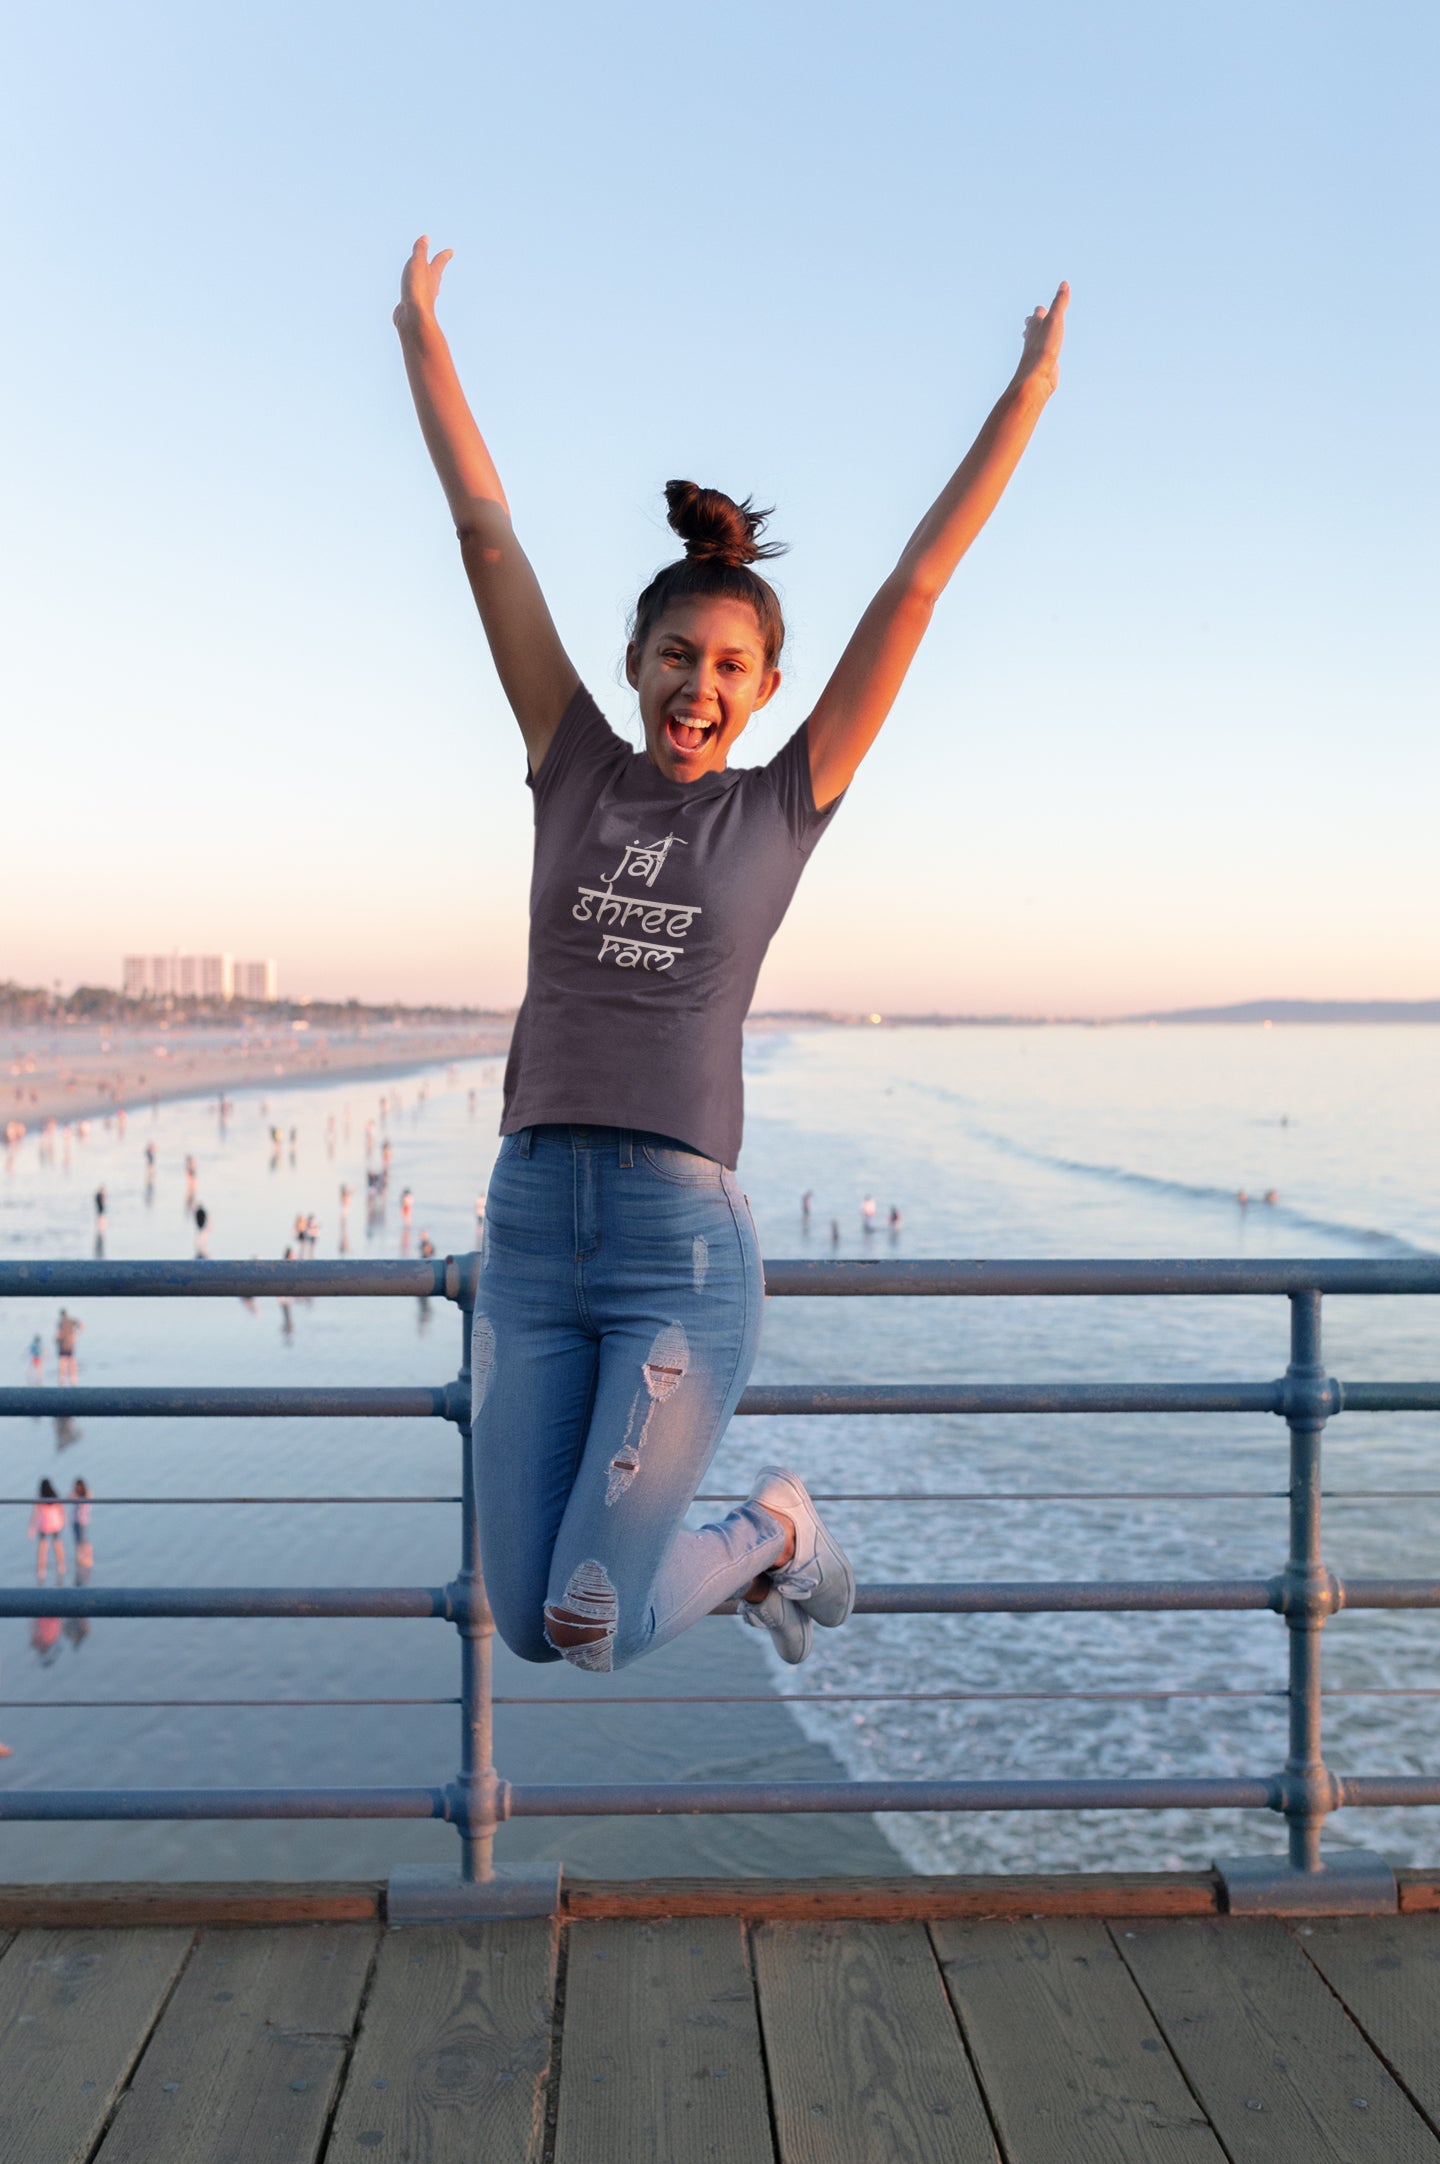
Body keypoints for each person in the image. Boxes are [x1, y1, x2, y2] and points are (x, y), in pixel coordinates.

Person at [395, 234, 1066, 1671]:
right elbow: (487, 540)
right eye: (675, 657)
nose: (697, 686)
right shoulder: (570, 762)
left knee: (592, 1622)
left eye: (729, 668)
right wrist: (419, 336)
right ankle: (757, 1555)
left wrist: (1026, 394)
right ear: (634, 663)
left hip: (675, 1245)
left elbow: (915, 588)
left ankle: (777, 1535)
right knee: (527, 1623)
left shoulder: (779, 808)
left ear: (762, 692)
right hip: (525, 1227)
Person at [29, 1478, 66, 1583]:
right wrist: (63, 1521)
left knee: (43, 1549)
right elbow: (61, 1510)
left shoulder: (41, 1499)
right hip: (54, 1525)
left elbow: (35, 1515)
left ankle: (42, 1570)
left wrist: (32, 1528)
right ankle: (61, 1566)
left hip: (46, 1525)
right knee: (56, 1546)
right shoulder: (55, 1497)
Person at [69, 1479, 93, 1573]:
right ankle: (79, 1558)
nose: (77, 1488)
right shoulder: (75, 1495)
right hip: (75, 1520)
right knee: (77, 1541)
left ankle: (89, 1559)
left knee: (84, 1540)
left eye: (78, 1486)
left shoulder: (87, 1494)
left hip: (83, 1520)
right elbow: (69, 1497)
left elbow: (88, 1501)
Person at [55, 1308, 82, 1384]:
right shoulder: (71, 1321)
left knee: (63, 1362)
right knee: (71, 1361)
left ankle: (63, 1380)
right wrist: (75, 1334)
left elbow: (59, 1334)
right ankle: (73, 1379)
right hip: (70, 1344)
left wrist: (56, 1341)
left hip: (63, 1345)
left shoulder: (61, 1323)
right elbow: (82, 1326)